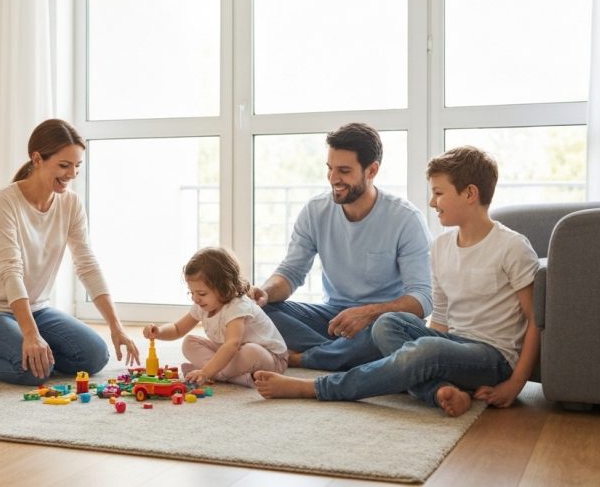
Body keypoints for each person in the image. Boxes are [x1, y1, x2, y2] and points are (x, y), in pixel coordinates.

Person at [255, 146, 541, 417]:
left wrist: (515, 384)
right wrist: (424, 346)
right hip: (449, 343)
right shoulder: (441, 246)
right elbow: (440, 317)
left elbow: (535, 321)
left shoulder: (512, 247)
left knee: (424, 349)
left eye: (439, 193)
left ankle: (315, 386)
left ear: (470, 194)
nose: (432, 202)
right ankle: (439, 389)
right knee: (388, 324)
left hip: (493, 358)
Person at [0, 119, 140, 385]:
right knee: (34, 371)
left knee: (95, 356)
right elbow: (11, 270)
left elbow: (87, 264)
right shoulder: (5, 201)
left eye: (77, 166)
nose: (72, 174)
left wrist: (117, 327)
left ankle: (31, 349)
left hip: (37, 308)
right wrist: (31, 335)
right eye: (64, 165)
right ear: (37, 159)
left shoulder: (71, 203)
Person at [252, 123, 432, 371]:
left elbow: (423, 298)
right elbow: (291, 272)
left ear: (372, 170)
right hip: (334, 319)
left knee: (387, 332)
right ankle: (350, 356)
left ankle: (308, 357)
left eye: (344, 170)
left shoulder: (405, 219)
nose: (334, 178)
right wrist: (264, 292)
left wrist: (368, 313)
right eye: (330, 169)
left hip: (382, 322)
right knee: (262, 311)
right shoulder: (315, 211)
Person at [143, 247, 288, 387]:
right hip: (231, 353)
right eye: (191, 292)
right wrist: (159, 332)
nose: (195, 299)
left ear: (224, 287)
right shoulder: (202, 306)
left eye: (202, 294)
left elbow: (232, 344)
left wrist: (205, 371)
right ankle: (230, 376)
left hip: (271, 358)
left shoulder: (237, 306)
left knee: (251, 351)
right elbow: (177, 329)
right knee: (189, 343)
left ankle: (214, 373)